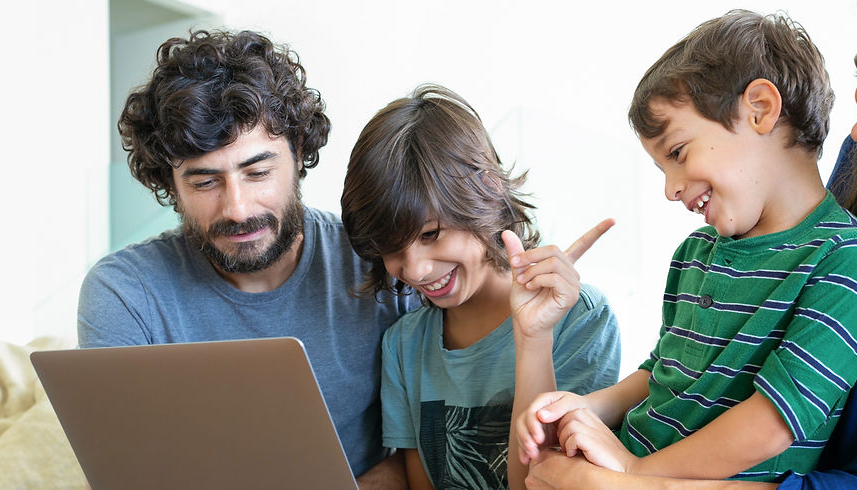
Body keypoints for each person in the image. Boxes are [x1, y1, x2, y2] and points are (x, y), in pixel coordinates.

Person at [514, 10, 857, 484]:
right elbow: (661, 370)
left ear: (760, 109)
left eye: (677, 153)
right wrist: (587, 407)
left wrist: (635, 474)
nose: (670, 189)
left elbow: (774, 424)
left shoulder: (848, 259)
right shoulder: (694, 253)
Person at [77, 30, 419, 488]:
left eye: (257, 172)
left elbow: (426, 454)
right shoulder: (125, 294)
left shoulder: (379, 262)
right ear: (169, 185)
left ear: (299, 154)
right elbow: (124, 470)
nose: (237, 209)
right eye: (204, 183)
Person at [340, 84, 622, 490]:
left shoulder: (581, 317)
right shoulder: (404, 343)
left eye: (430, 234)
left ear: (487, 190)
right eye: (390, 247)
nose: (415, 270)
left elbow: (547, 480)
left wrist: (533, 338)